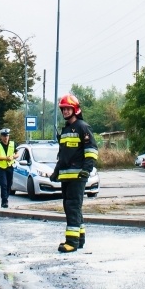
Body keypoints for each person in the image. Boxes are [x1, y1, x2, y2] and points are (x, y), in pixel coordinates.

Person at [49, 94, 98, 253]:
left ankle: (71, 242)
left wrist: (86, 170)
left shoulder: (83, 127)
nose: (65, 112)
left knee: (72, 207)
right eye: (63, 109)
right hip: (66, 176)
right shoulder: (65, 130)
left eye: (68, 108)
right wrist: (56, 171)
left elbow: (91, 150)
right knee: (72, 207)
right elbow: (63, 155)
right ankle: (80, 238)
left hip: (77, 176)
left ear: (75, 109)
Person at [0, 128, 15, 208]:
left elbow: (17, 154)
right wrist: (6, 158)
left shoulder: (12, 144)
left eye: (7, 136)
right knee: (3, 184)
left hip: (10, 167)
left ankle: (6, 198)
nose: (6, 138)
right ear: (1, 137)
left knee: (9, 184)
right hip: (2, 168)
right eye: (4, 136)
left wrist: (12, 157)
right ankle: (4, 201)